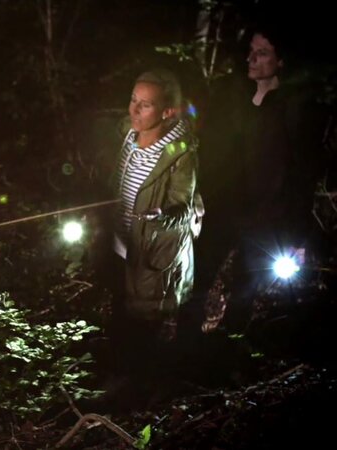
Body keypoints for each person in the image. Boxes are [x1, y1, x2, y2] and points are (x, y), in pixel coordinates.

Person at [199, 24, 325, 333]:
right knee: (199, 277)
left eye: (262, 53)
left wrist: (296, 231)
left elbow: (303, 171)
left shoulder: (295, 109)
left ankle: (229, 350)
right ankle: (188, 346)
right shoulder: (231, 97)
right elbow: (212, 150)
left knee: (246, 287)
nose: (252, 59)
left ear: (280, 61)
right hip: (224, 207)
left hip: (267, 216)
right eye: (251, 52)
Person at [110, 69, 199, 380]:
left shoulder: (179, 154)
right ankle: (120, 380)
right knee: (120, 321)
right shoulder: (127, 136)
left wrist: (160, 218)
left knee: (143, 329)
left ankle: (141, 394)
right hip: (121, 247)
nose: (134, 109)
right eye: (133, 100)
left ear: (167, 111)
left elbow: (183, 208)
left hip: (151, 252)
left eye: (145, 104)